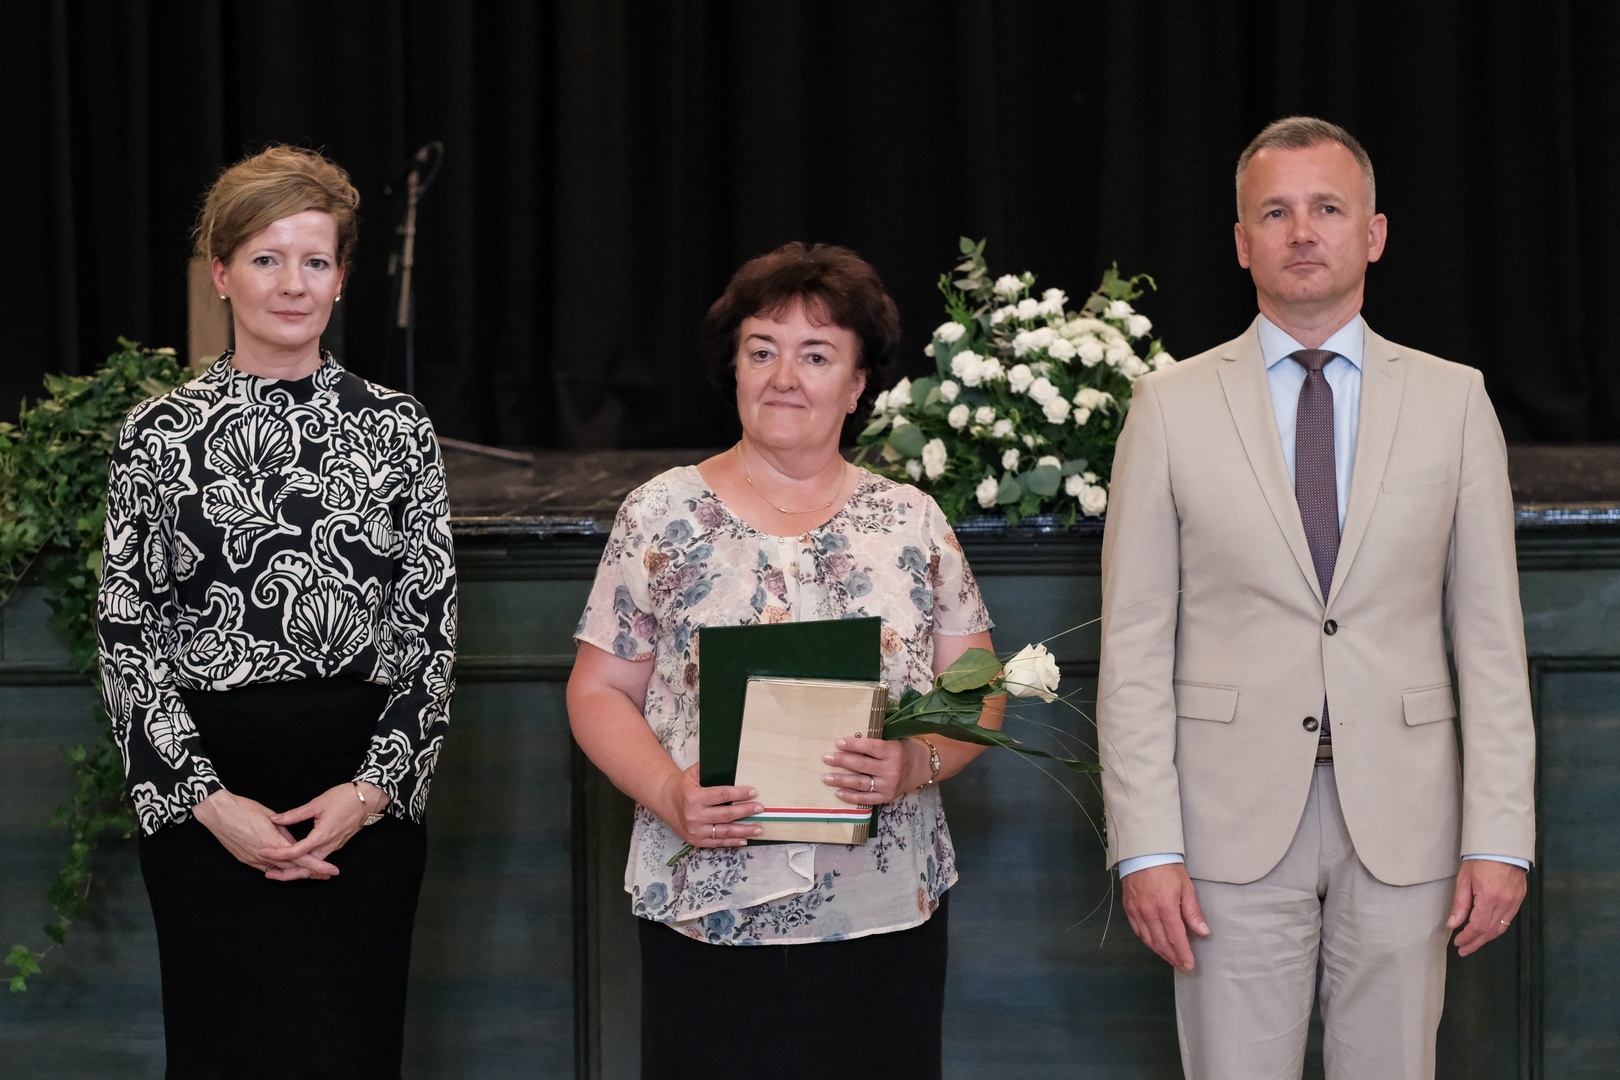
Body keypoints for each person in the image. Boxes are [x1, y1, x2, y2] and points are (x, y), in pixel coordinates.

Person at [1097, 116, 1535, 1079]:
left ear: (1373, 234)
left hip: (1409, 822)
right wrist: (1145, 846)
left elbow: (1492, 643)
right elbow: (1134, 649)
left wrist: (1502, 834)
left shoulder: (1455, 401)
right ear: (1241, 242)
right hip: (1223, 827)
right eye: (1276, 212)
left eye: (1328, 208)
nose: (1303, 232)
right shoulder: (1168, 407)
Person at [566, 242, 1001, 1080]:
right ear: (733, 368)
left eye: (816, 355)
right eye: (761, 351)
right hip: (709, 909)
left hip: (883, 911)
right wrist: (668, 792)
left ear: (858, 383)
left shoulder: (911, 520)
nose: (784, 378)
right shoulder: (660, 514)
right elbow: (599, 691)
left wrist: (915, 762)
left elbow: (978, 695)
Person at [96, 145, 457, 1079]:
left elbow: (428, 637)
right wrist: (209, 805)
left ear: (340, 279)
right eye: (266, 258)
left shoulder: (399, 429)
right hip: (206, 801)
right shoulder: (157, 433)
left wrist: (370, 793)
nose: (293, 284)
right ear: (221, 273)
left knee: (352, 1053)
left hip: (362, 804)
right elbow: (128, 636)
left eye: (315, 260)